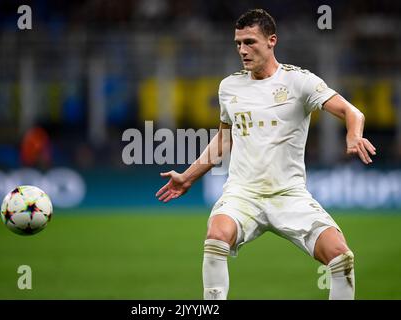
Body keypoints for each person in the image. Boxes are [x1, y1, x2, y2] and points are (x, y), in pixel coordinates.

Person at [156, 9, 376, 300]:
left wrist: (353, 134)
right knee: (216, 237)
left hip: (289, 195)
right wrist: (187, 177)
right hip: (242, 194)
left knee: (340, 257)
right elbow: (224, 139)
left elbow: (352, 111)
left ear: (272, 41)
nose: (242, 50)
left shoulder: (300, 82)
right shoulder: (229, 87)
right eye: (238, 43)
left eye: (250, 42)